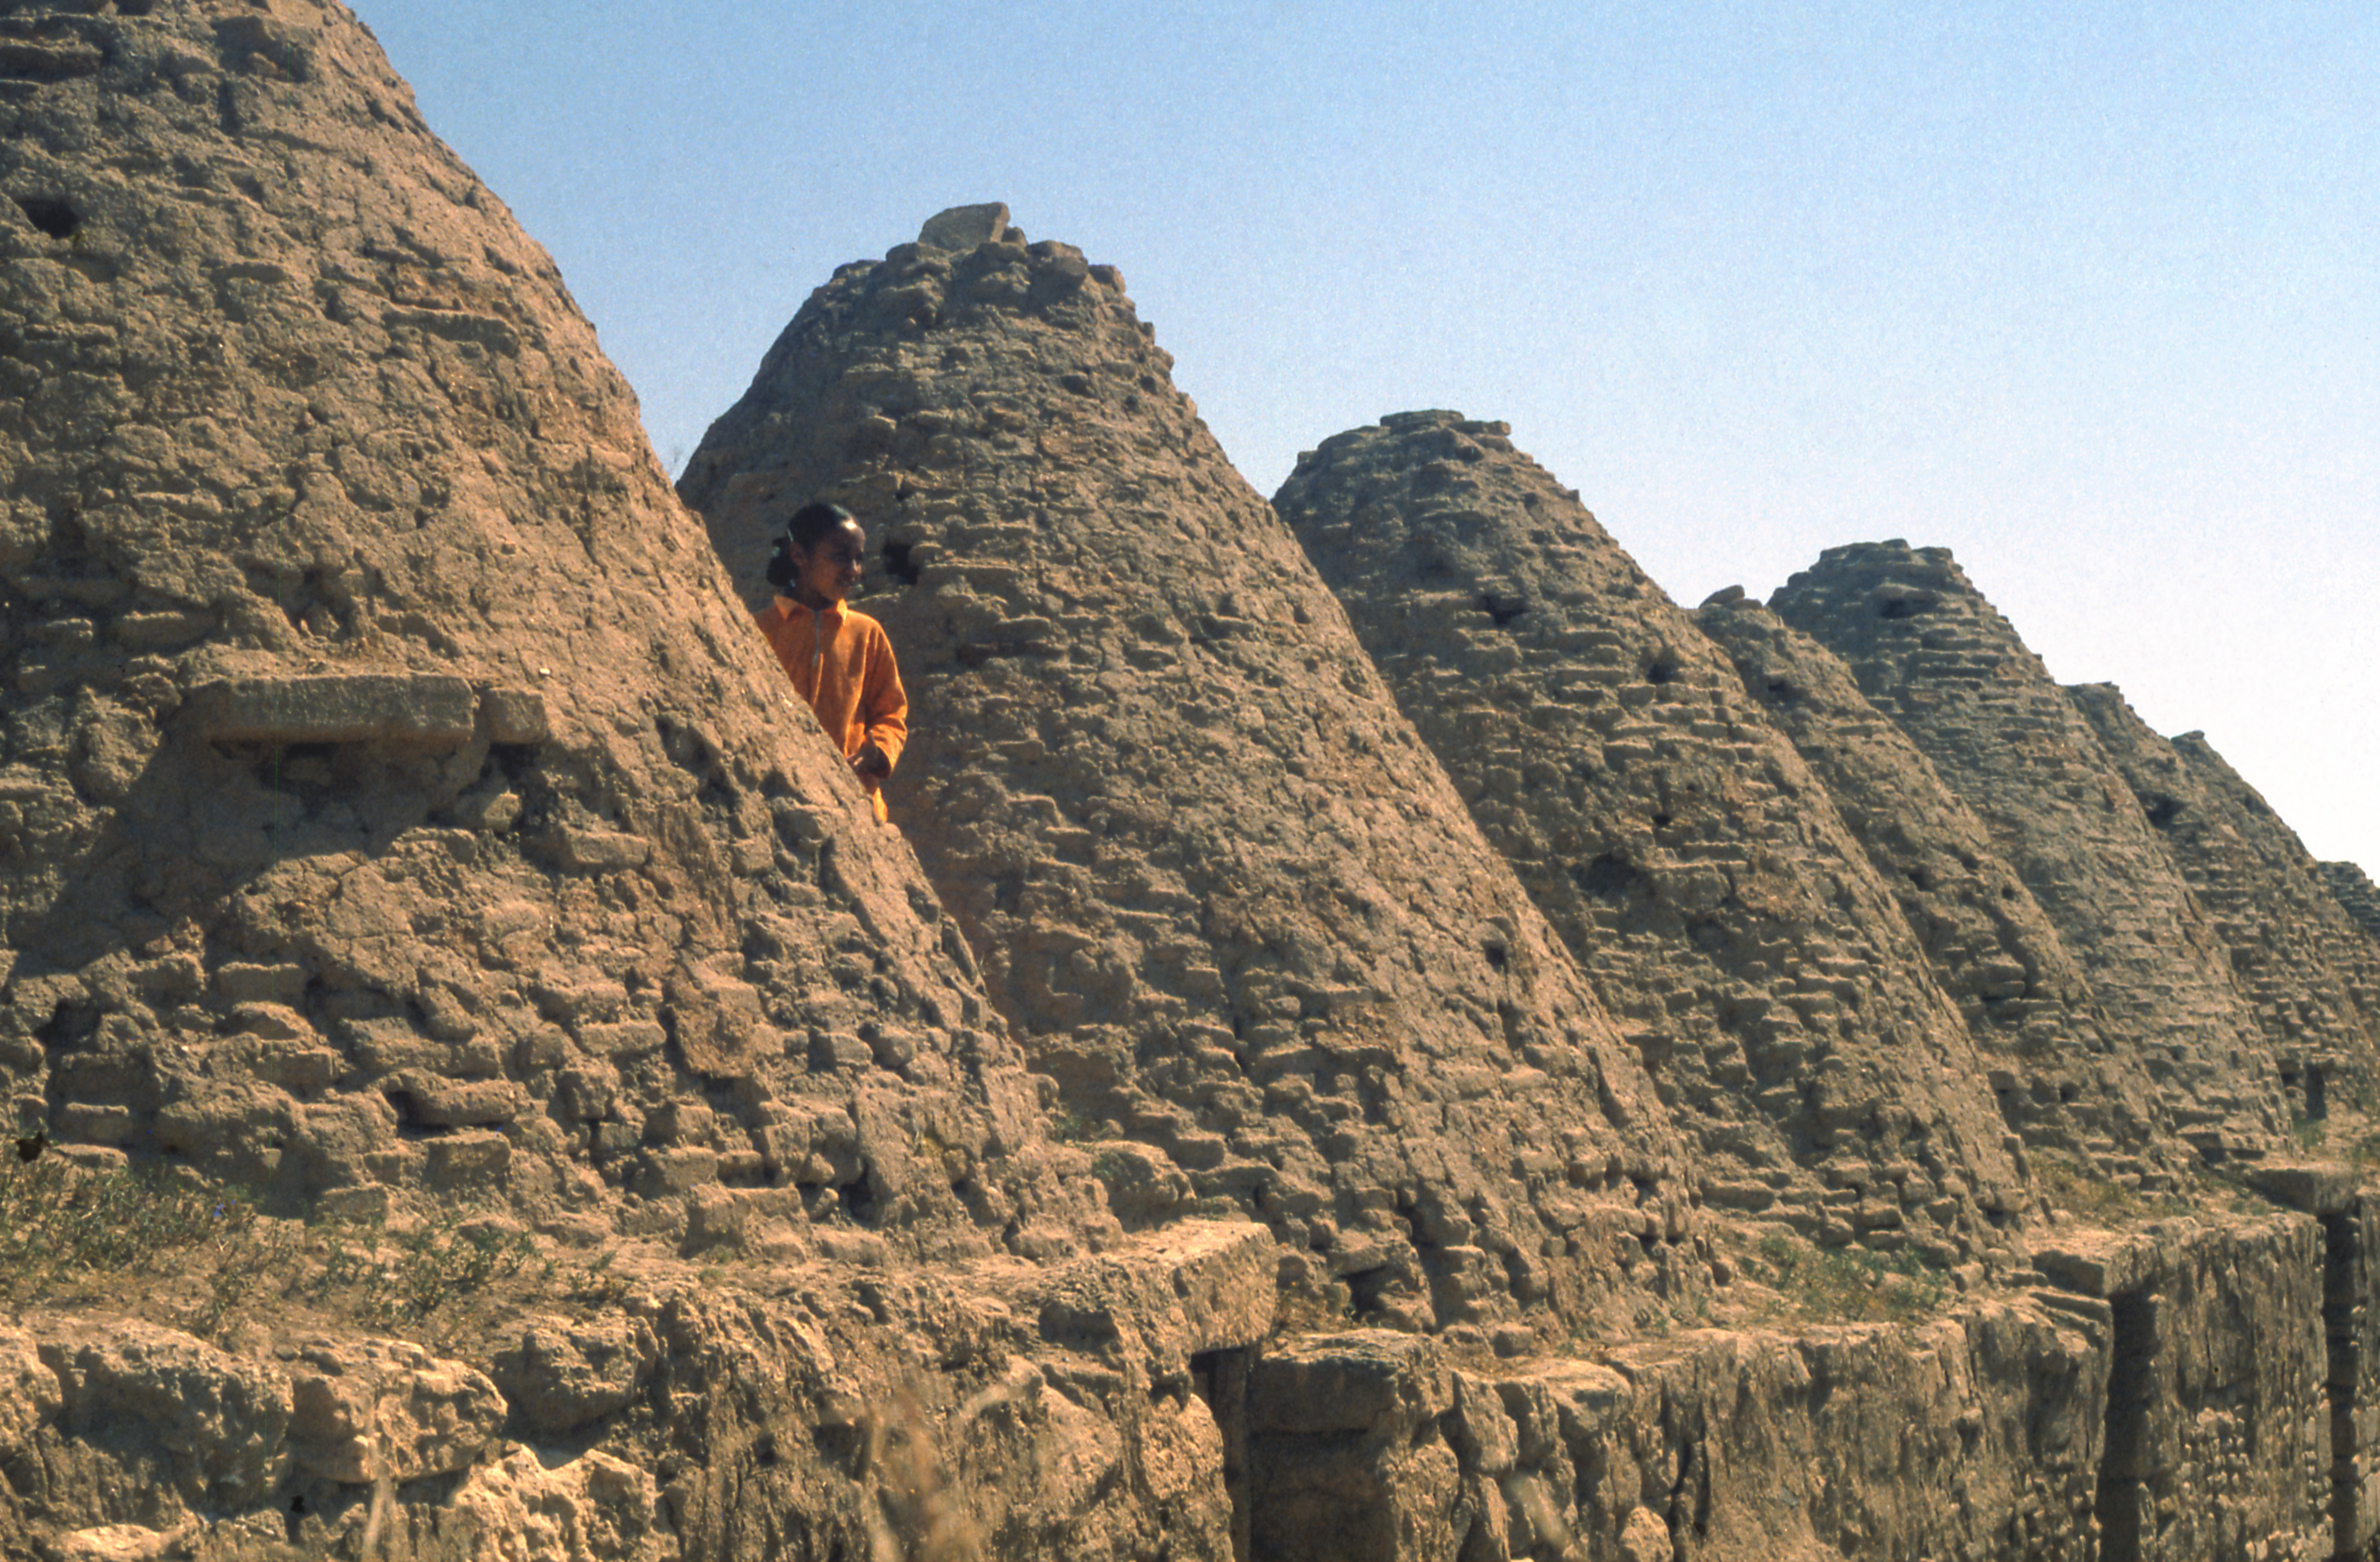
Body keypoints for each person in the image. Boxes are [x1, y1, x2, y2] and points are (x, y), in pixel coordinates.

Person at [755, 502, 907, 822]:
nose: (853, 570)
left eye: (858, 559)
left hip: (853, 806)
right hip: (777, 803)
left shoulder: (867, 634)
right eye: (840, 557)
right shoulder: (760, 630)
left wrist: (877, 751)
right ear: (799, 556)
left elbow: (891, 711)